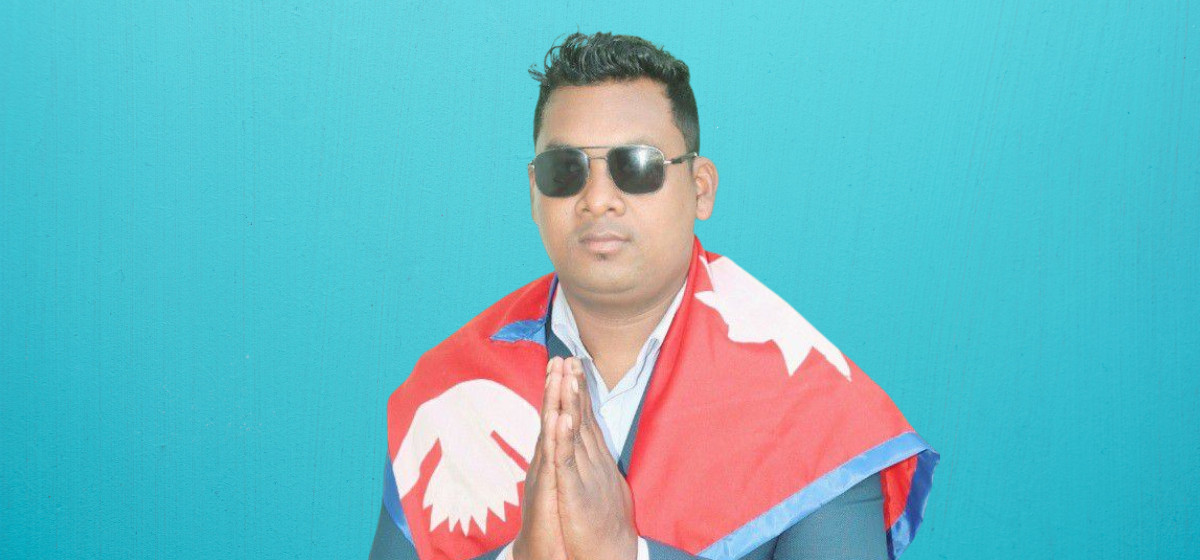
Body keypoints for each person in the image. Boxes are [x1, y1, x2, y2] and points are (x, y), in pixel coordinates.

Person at [369, 32, 937, 560]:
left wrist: (626, 554)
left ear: (700, 188)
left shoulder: (814, 402)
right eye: (565, 169)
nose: (597, 199)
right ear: (534, 193)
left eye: (635, 167)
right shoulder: (452, 393)